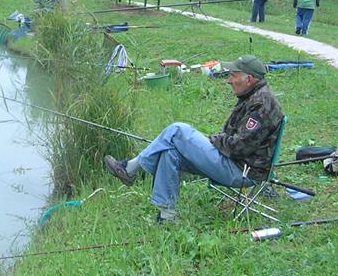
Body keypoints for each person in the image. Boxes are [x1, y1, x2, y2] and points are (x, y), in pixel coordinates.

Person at [104, 55, 283, 223]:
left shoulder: (261, 105)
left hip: (241, 171)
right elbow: (232, 138)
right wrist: (212, 141)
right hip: (233, 163)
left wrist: (212, 141)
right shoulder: (252, 96)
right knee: (170, 152)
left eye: (233, 76)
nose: (228, 80)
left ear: (249, 79)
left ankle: (130, 169)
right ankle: (167, 216)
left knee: (178, 130)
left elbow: (238, 148)